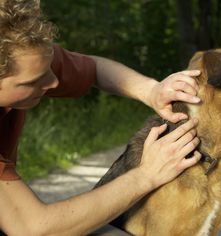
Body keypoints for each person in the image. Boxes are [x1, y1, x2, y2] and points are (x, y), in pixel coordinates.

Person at [0, 1, 202, 235]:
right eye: (32, 82)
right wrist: (146, 175)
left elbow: (95, 68)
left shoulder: (26, 56)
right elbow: (34, 228)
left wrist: (152, 91)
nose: (54, 82)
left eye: (48, 68)